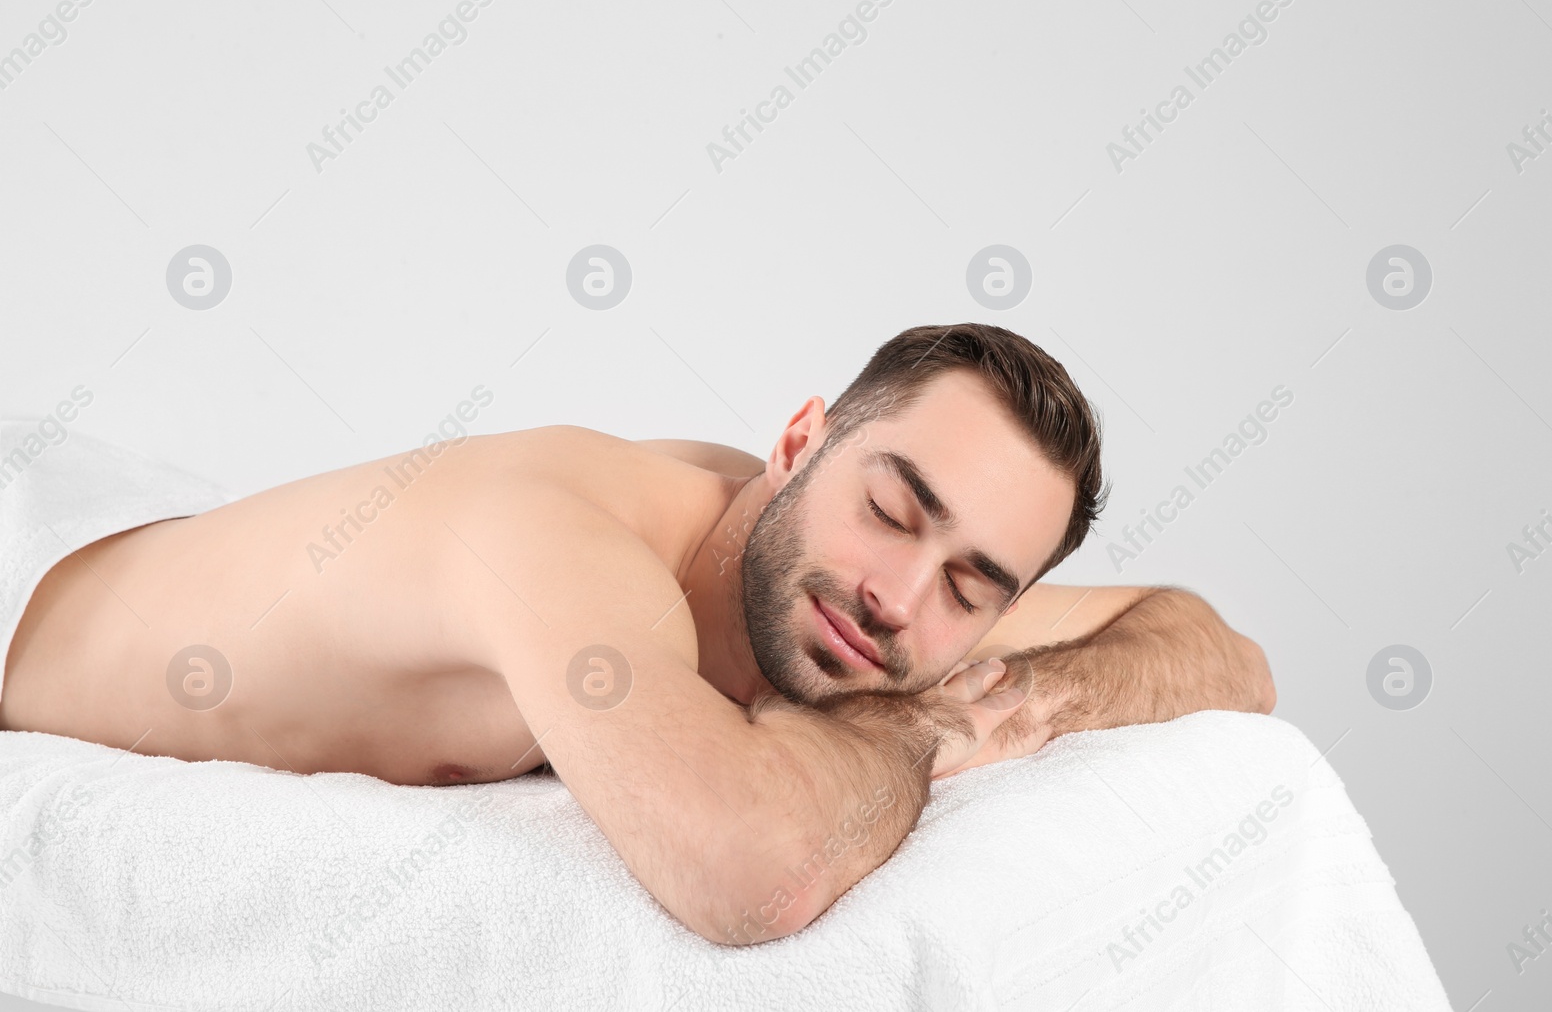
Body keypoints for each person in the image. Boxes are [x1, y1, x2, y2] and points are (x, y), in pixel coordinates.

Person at [0, 322, 1273, 945]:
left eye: (974, 585)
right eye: (892, 508)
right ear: (797, 440)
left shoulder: (860, 591)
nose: (900, 596)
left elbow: (1215, 649)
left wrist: (1031, 694)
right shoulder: (557, 534)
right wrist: (928, 716)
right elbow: (750, 867)